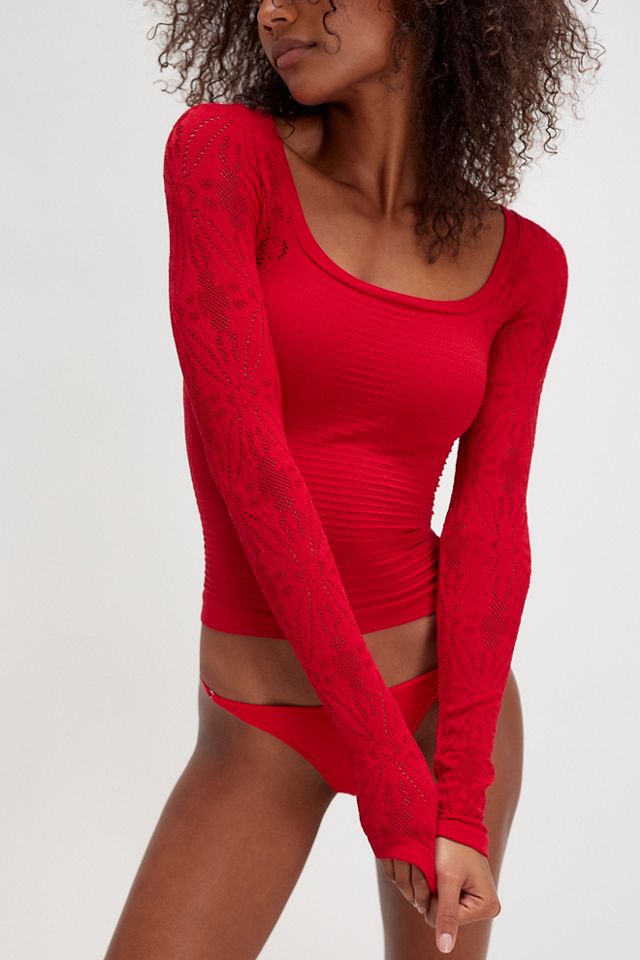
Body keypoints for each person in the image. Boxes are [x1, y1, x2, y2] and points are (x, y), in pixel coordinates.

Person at [106, 1, 600, 956]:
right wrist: (388, 781)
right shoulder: (224, 158)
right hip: (264, 727)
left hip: (446, 710)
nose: (270, 11)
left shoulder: (527, 267)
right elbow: (251, 467)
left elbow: (492, 527)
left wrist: (457, 795)